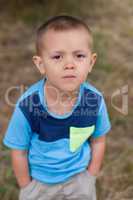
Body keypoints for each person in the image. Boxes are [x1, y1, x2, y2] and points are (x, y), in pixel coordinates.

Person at [3, 15, 111, 200]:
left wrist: (90, 176)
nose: (69, 64)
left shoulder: (94, 101)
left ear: (91, 62)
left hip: (79, 178)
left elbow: (98, 140)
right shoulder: (28, 106)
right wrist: (27, 187)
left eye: (79, 56)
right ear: (40, 64)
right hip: (40, 183)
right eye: (57, 56)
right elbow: (19, 151)